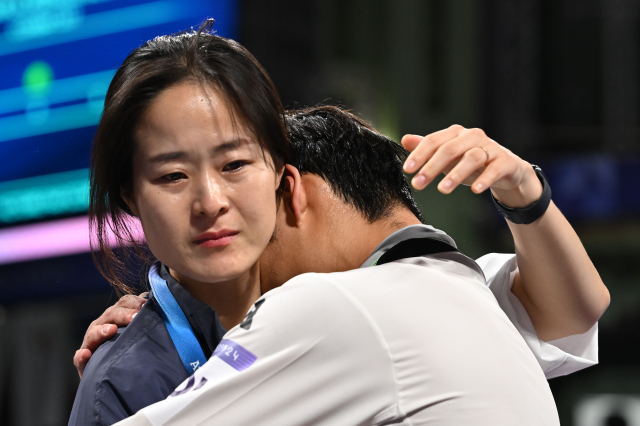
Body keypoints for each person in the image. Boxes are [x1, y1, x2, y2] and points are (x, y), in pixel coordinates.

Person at [70, 23, 608, 426]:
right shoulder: (446, 286)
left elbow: (577, 311)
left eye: (235, 165)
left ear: (289, 185)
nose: (212, 202)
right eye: (172, 175)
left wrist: (524, 192)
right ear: (130, 198)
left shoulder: (338, 305)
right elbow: (578, 310)